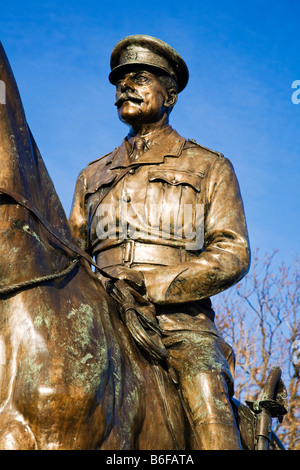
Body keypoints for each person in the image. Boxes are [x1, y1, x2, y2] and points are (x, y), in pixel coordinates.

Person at [69, 35, 250, 450]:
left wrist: (151, 285)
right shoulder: (91, 176)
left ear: (169, 95)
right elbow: (72, 253)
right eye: (119, 81)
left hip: (180, 326)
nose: (124, 86)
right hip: (100, 316)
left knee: (210, 409)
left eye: (139, 78)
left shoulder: (208, 166)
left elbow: (233, 252)